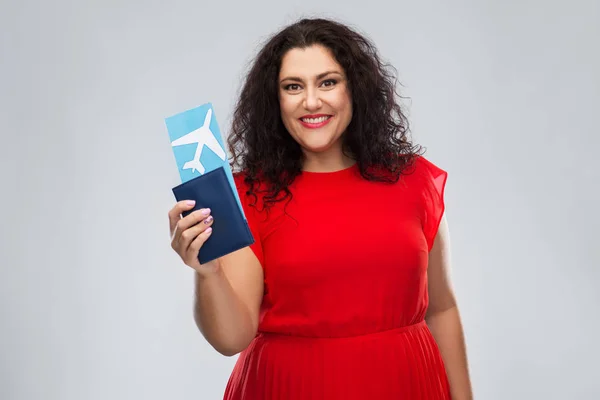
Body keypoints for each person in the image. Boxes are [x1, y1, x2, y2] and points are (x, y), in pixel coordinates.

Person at [168, 17, 473, 400]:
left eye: (328, 82)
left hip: (408, 383)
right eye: (293, 87)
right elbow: (231, 339)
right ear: (275, 100)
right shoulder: (247, 198)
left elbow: (441, 309)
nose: (311, 101)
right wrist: (208, 272)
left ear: (355, 89)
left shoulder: (415, 182)